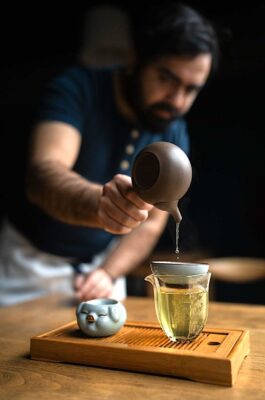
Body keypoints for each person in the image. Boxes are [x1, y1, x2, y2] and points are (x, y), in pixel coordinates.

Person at [0, 2, 219, 306]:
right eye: (166, 78)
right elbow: (44, 174)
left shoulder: (174, 128)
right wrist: (100, 205)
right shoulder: (77, 89)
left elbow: (154, 221)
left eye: (191, 89)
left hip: (97, 271)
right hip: (26, 265)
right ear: (134, 59)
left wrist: (108, 272)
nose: (177, 100)